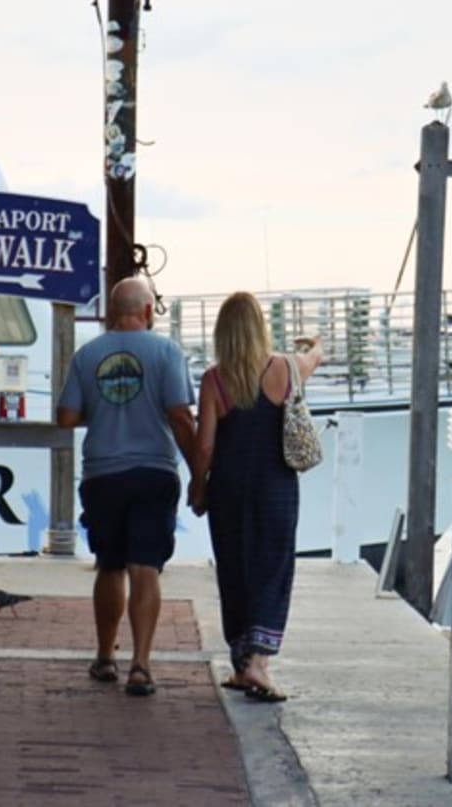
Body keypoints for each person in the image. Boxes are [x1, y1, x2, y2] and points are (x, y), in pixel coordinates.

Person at [56, 277, 197, 697]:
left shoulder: (87, 355)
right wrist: (201, 474)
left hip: (102, 473)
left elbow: (66, 418)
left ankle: (104, 656)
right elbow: (179, 416)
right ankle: (141, 665)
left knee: (110, 564)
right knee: (145, 567)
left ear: (111, 311)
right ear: (149, 310)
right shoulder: (167, 351)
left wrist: (103, 411)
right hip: (154, 470)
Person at [188, 292, 321, 702]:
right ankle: (258, 665)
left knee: (234, 569)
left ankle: (242, 664)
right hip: (276, 487)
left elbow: (205, 445)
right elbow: (314, 359)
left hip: (229, 488)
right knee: (272, 569)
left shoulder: (214, 379)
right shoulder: (285, 367)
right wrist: (314, 343)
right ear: (260, 327)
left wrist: (198, 486)